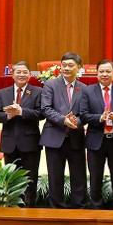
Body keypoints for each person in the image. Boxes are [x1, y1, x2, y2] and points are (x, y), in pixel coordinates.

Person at [0, 61, 44, 207]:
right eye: (18, 72)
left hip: (30, 143)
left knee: (30, 178)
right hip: (9, 143)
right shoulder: (3, 93)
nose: (21, 75)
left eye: (25, 72)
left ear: (30, 75)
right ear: (12, 74)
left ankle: (30, 208)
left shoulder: (38, 91)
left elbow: (41, 114)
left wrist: (21, 111)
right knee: (11, 178)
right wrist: (8, 115)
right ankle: (13, 207)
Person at [40, 52, 87, 208]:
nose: (66, 68)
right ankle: (56, 210)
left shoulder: (84, 88)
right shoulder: (50, 85)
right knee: (55, 177)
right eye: (64, 65)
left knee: (78, 176)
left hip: (76, 138)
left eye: (70, 65)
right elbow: (46, 109)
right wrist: (64, 120)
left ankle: (79, 209)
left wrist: (77, 122)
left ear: (79, 67)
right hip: (54, 138)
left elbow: (85, 113)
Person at [79, 59, 113, 209]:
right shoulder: (87, 91)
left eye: (108, 71)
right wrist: (100, 118)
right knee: (95, 177)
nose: (105, 74)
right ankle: (96, 207)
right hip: (95, 140)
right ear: (97, 73)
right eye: (101, 71)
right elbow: (83, 115)